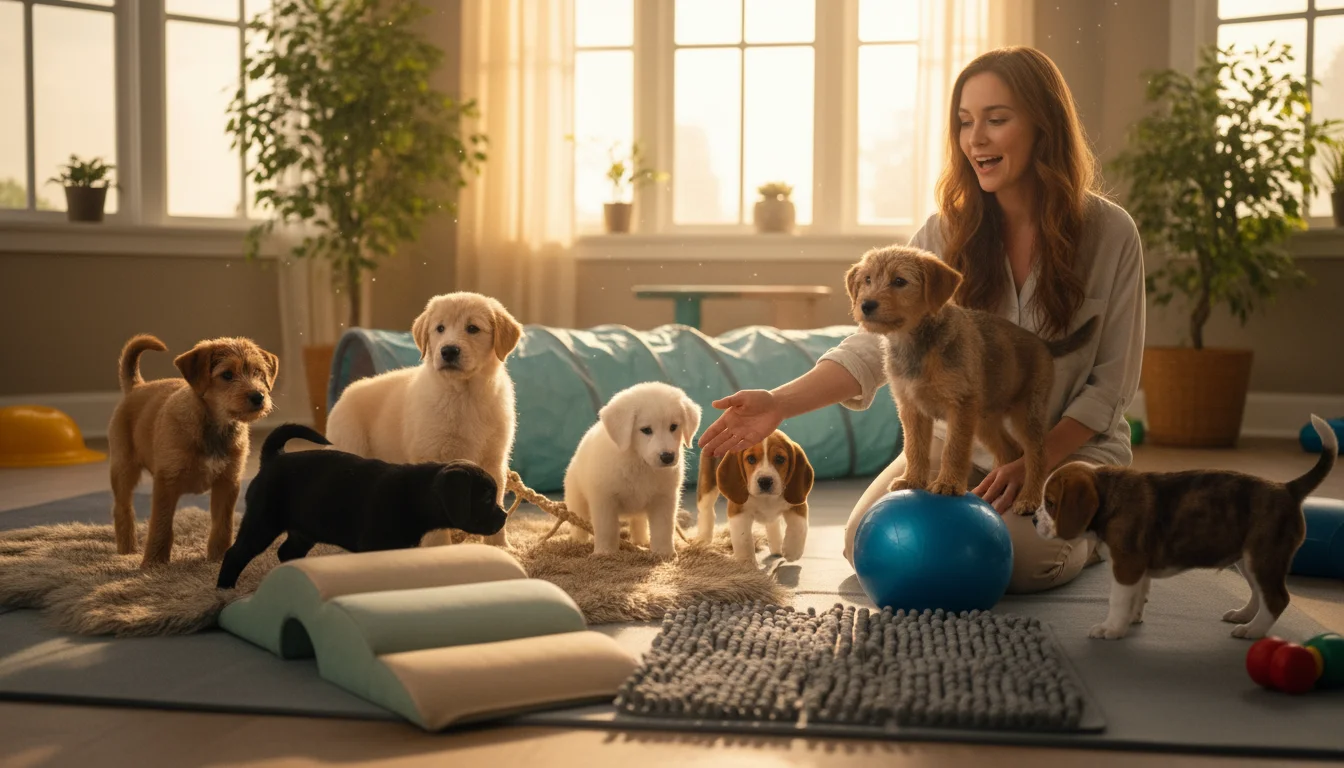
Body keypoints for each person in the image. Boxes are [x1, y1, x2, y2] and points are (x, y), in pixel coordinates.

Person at [697, 46, 1146, 594]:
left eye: (996, 120)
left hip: (1067, 451)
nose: (975, 138)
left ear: (1044, 126)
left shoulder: (1112, 233)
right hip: (957, 446)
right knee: (867, 541)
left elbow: (1113, 383)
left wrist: (1038, 460)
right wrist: (780, 402)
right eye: (964, 123)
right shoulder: (943, 233)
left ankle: (1099, 525)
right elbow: (873, 348)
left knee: (1019, 563)